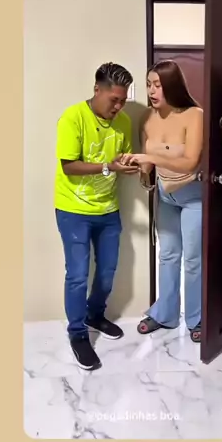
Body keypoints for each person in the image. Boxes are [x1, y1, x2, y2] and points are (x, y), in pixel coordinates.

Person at [54, 62, 139, 370]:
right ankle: (78, 334)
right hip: (73, 209)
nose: (118, 107)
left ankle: (94, 315)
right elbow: (68, 166)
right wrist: (108, 167)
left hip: (107, 209)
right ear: (97, 90)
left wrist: (130, 165)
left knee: (106, 271)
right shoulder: (73, 117)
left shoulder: (124, 122)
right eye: (113, 100)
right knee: (77, 275)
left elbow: (120, 159)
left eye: (123, 101)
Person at [122, 60, 203, 343]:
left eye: (158, 85)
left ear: (172, 85)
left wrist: (150, 157)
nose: (152, 91)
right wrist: (138, 168)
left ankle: (197, 318)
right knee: (168, 254)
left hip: (193, 196)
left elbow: (190, 162)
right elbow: (148, 162)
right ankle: (165, 314)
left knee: (193, 259)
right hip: (165, 195)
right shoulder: (147, 117)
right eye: (148, 84)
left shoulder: (194, 115)